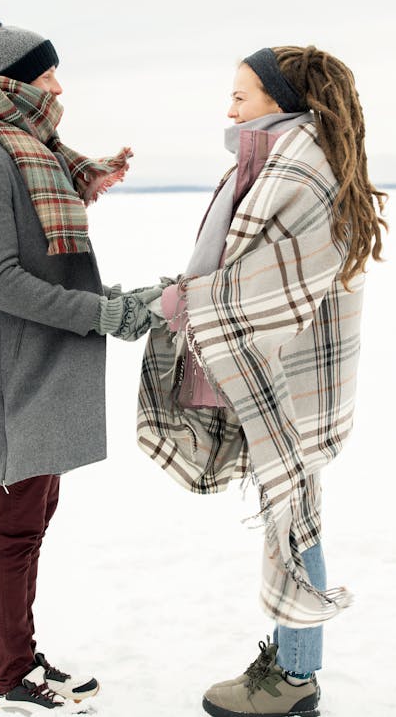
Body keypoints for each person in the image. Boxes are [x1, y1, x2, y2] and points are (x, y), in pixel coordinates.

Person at [137, 45, 388, 717]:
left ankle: (296, 678)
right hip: (295, 365)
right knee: (292, 514)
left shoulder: (300, 172)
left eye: (241, 95)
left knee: (296, 518)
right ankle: (293, 665)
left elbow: (258, 289)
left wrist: (172, 305)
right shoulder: (284, 160)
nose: (230, 107)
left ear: (279, 98)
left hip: (295, 370)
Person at [0, 7, 163, 714]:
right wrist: (105, 313)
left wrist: (125, 302)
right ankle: (10, 677)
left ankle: (23, 656)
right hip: (5, 381)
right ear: (14, 83)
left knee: (29, 521)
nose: (59, 87)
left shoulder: (23, 152)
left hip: (35, 374)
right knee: (12, 530)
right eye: (47, 73)